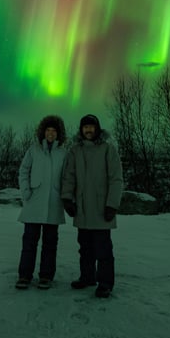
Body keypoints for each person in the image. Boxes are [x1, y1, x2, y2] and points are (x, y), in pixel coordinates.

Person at [60, 113, 123, 298]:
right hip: (82, 208)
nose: (88, 130)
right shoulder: (75, 151)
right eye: (85, 127)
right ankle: (87, 277)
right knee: (85, 247)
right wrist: (67, 199)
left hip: (101, 208)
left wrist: (112, 204)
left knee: (103, 249)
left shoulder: (107, 149)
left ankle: (105, 283)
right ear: (81, 130)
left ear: (97, 129)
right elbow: (69, 176)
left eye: (91, 127)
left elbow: (116, 179)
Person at [15, 114, 68, 290]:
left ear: (59, 133)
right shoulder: (34, 150)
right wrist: (26, 192)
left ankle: (46, 276)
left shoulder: (63, 153)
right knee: (29, 242)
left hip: (54, 203)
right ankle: (24, 276)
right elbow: (23, 171)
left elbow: (68, 177)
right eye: (48, 130)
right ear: (43, 132)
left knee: (50, 243)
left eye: (54, 130)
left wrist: (65, 195)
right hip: (34, 202)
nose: (51, 133)